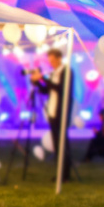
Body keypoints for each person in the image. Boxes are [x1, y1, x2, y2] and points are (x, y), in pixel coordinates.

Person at [30, 48, 75, 181]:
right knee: (57, 143)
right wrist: (37, 82)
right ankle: (60, 172)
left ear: (59, 58)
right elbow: (48, 90)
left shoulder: (66, 71)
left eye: (53, 61)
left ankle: (65, 173)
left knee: (62, 142)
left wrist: (43, 77)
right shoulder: (54, 73)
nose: (52, 63)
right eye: (50, 61)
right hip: (53, 112)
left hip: (61, 112)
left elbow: (61, 89)